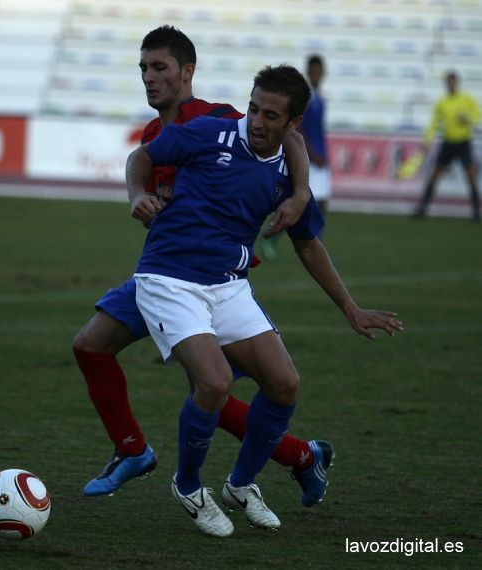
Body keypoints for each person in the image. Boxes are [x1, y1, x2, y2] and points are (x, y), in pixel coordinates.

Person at [128, 64, 404, 537]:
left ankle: (241, 484)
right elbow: (143, 156)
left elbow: (309, 245)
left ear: (292, 124)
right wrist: (137, 193)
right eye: (254, 108)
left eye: (271, 115)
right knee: (213, 383)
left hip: (228, 285)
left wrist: (350, 308)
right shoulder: (210, 134)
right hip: (168, 278)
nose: (256, 121)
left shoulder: (286, 176)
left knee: (284, 383)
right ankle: (189, 486)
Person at [72, 26, 333, 507]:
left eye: (160, 68)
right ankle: (132, 450)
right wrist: (142, 198)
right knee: (92, 346)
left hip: (214, 279)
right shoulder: (156, 134)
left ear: (187, 72)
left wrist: (298, 194)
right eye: (144, 69)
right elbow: (143, 166)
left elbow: (288, 140)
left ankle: (296, 458)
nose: (150, 78)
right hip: (165, 273)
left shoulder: (218, 118)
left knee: (210, 387)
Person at [261, 54, 330, 261]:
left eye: (320, 71)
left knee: (322, 205)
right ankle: (271, 236)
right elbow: (298, 130)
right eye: (314, 71)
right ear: (309, 72)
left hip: (321, 158)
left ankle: (319, 248)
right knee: (307, 204)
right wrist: (312, 154)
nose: (317, 74)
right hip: (311, 158)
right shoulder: (306, 100)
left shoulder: (321, 98)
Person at [414, 70, 481, 221]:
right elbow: (434, 123)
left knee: (471, 176)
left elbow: (479, 116)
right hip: (448, 143)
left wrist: (467, 119)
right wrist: (427, 139)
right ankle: (422, 207)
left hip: (463, 142)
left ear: (457, 83)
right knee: (434, 175)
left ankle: (476, 210)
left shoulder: (466, 99)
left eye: (453, 82)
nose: (451, 85)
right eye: (449, 83)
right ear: (446, 84)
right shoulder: (442, 102)